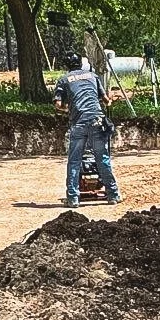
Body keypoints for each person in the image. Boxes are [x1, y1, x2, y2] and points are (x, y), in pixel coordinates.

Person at [54, 52, 120, 207]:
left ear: (67, 66)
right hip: (97, 120)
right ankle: (113, 195)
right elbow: (106, 101)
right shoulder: (93, 76)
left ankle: (73, 199)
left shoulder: (63, 80)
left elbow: (57, 105)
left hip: (79, 123)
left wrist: (68, 110)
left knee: (74, 161)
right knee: (102, 159)